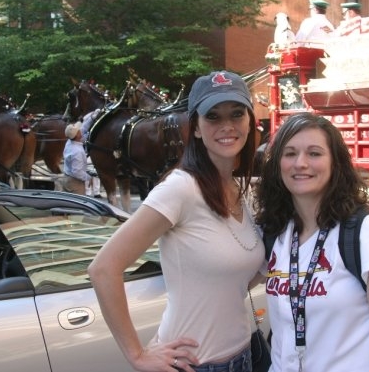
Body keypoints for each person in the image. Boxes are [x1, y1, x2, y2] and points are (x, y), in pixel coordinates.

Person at [88, 70, 264, 372]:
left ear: (249, 121)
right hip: (194, 365)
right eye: (213, 116)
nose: (227, 126)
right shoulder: (180, 188)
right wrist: (137, 355)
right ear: (195, 127)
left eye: (237, 114)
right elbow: (103, 269)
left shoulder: (240, 191)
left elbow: (231, 280)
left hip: (242, 356)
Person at [255, 112, 369, 372]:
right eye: (290, 153)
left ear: (335, 163)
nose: (300, 163)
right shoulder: (274, 231)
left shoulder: (363, 233)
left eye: (314, 153)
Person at [62, 121, 91, 195]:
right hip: (75, 183)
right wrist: (88, 177)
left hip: (67, 178)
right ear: (77, 135)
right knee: (78, 204)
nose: (80, 130)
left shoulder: (69, 142)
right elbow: (77, 172)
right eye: (79, 131)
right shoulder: (77, 152)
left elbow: (84, 131)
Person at [80, 109, 102, 198]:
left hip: (92, 152)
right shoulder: (85, 130)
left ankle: (96, 192)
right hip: (87, 152)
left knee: (95, 173)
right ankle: (89, 191)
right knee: (88, 172)